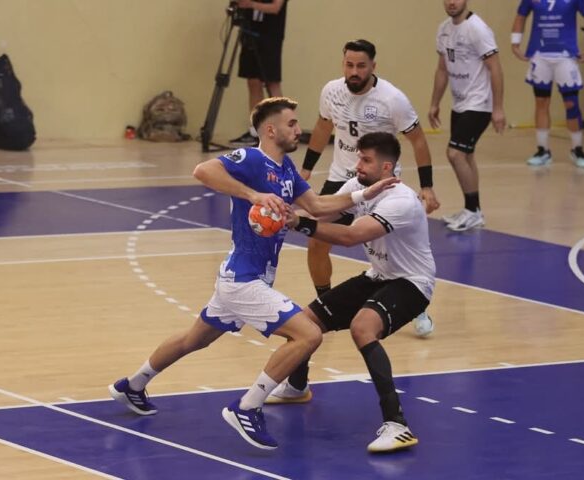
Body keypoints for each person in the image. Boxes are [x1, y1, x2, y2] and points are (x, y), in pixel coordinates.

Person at [108, 97, 397, 450]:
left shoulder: (286, 168)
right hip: (244, 281)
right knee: (308, 335)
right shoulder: (251, 159)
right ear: (271, 130)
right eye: (292, 123)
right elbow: (203, 171)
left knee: (194, 339)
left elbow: (318, 206)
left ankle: (132, 385)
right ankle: (247, 407)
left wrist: (365, 192)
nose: (298, 129)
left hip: (242, 276)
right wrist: (253, 195)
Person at [271, 132, 436, 453]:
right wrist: (278, 204)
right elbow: (321, 213)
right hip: (378, 275)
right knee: (305, 322)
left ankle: (398, 425)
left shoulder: (400, 201)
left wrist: (298, 224)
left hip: (412, 282)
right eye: (359, 157)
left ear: (386, 167)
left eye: (366, 160)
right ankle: (297, 386)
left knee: (363, 327)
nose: (358, 164)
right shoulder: (358, 186)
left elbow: (350, 236)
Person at [300, 39, 440, 298]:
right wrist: (307, 168)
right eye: (349, 65)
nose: (354, 71)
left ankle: (414, 301)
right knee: (317, 241)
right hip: (341, 178)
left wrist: (427, 186)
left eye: (361, 66)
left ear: (373, 66)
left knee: (390, 251)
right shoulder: (331, 91)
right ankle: (325, 302)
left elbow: (418, 140)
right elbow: (322, 127)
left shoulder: (392, 99)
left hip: (380, 184)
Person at [429, 0, 505, 231]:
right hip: (459, 103)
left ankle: (473, 211)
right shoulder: (444, 29)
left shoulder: (477, 28)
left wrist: (498, 108)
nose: (452, 2)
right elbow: (442, 69)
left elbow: (495, 68)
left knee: (455, 154)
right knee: (467, 156)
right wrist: (435, 103)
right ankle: (473, 210)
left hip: (479, 103)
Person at [511, 0, 584, 168]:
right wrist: (515, 43)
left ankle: (577, 149)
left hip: (566, 56)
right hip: (540, 55)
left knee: (571, 103)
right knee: (541, 102)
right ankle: (543, 150)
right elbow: (521, 15)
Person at [230, 0, 288, 146]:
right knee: (253, 81)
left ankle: (283, 129)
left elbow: (275, 7)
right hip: (250, 33)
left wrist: (250, 4)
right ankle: (255, 131)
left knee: (272, 81)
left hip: (270, 37)